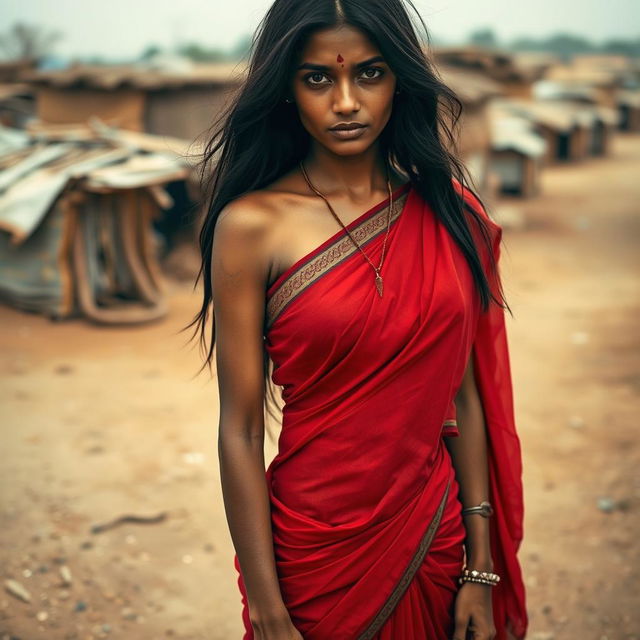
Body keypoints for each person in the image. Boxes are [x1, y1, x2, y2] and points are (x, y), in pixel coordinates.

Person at [185, 1, 528, 638]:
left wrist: (481, 566)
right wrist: (266, 608)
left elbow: (464, 395)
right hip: (313, 553)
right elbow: (238, 430)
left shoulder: (451, 216)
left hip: (433, 531)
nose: (346, 101)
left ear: (401, 78)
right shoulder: (251, 227)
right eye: (318, 78)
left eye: (369, 74)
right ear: (286, 88)